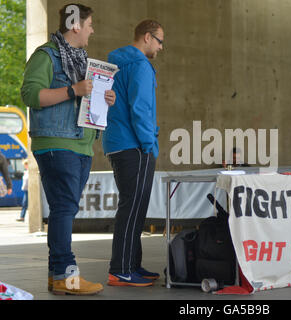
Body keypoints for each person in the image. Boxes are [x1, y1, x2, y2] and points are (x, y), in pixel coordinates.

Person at [21, 3, 115, 295]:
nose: (92, 30)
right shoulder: (45, 55)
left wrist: (104, 97)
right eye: (89, 25)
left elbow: (82, 100)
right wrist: (73, 90)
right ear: (76, 25)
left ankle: (57, 275)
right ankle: (66, 274)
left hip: (80, 144)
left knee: (66, 209)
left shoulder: (83, 61)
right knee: (64, 208)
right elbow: (30, 94)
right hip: (57, 144)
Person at [103, 20, 163, 287]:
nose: (161, 47)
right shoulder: (140, 65)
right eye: (160, 41)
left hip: (116, 142)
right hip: (134, 145)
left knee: (133, 207)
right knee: (132, 208)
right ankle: (121, 270)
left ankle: (132, 265)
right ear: (148, 38)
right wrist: (148, 144)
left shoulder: (116, 64)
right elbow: (140, 109)